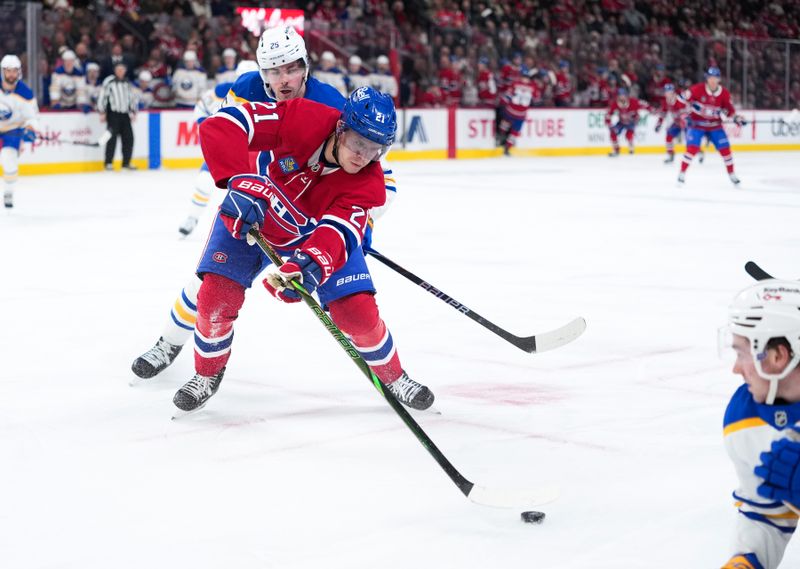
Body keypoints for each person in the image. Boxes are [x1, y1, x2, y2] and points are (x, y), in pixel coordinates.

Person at [131, 27, 431, 414]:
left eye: (290, 69)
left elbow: (370, 179)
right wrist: (241, 183)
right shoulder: (252, 92)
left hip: (314, 220)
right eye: (272, 71)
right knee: (209, 291)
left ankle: (394, 376)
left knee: (356, 310)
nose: (281, 80)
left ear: (305, 67)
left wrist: (356, 228)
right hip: (256, 204)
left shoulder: (335, 110)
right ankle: (175, 348)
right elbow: (228, 129)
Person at [719, 279, 800, 569]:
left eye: (742, 353)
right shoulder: (746, 421)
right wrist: (747, 561)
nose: (736, 368)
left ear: (778, 356)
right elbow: (766, 512)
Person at [177, 59, 259, 237]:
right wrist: (208, 128)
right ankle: (192, 217)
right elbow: (201, 108)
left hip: (258, 152)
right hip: (228, 150)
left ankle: (254, 226)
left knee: (254, 191)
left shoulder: (269, 93)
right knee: (204, 182)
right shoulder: (223, 92)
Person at [677, 67, 745, 187]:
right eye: (710, 78)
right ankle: (682, 173)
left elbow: (730, 111)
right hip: (697, 125)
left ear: (719, 79)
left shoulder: (724, 93)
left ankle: (732, 174)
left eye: (715, 78)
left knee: (726, 151)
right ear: (707, 79)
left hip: (715, 127)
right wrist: (689, 108)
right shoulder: (697, 89)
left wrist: (737, 119)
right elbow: (680, 99)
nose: (712, 80)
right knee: (692, 149)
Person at [0, 54, 39, 209]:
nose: (11, 74)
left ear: (19, 72)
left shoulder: (25, 92)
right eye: (8, 71)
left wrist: (30, 129)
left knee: (8, 158)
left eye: (14, 71)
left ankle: (8, 192)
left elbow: (33, 117)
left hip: (13, 130)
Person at [98, 61, 138, 171]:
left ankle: (126, 162)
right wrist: (102, 111)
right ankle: (108, 162)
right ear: (115, 70)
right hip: (113, 114)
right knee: (111, 139)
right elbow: (103, 96)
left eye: (122, 69)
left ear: (125, 71)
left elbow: (132, 98)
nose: (120, 71)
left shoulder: (127, 83)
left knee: (129, 138)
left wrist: (133, 111)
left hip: (125, 115)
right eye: (118, 69)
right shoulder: (109, 82)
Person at [654, 83, 698, 164]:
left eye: (670, 92)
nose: (668, 94)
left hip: (686, 122)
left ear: (673, 92)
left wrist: (687, 120)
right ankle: (670, 155)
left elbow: (689, 109)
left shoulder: (680, 100)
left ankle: (699, 152)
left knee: (690, 140)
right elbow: (663, 114)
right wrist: (659, 124)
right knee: (668, 137)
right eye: (666, 92)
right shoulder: (665, 102)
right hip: (677, 122)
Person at [496, 70, 533, 156]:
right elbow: (536, 98)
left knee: (514, 131)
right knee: (509, 127)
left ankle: (506, 146)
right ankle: (501, 138)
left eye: (527, 77)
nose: (525, 79)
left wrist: (502, 102)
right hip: (514, 111)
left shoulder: (515, 83)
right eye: (524, 77)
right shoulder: (531, 86)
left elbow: (508, 95)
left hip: (517, 113)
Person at [605, 87, 651, 157]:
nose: (622, 97)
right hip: (621, 122)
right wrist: (609, 123)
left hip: (632, 122)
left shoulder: (633, 102)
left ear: (626, 95)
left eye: (623, 95)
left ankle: (631, 146)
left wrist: (651, 109)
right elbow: (608, 114)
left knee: (628, 135)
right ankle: (616, 149)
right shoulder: (615, 103)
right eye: (620, 96)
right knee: (613, 132)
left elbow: (644, 105)